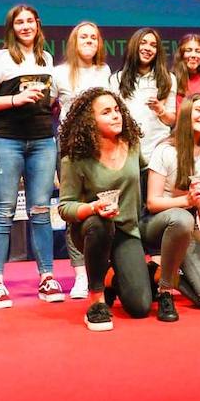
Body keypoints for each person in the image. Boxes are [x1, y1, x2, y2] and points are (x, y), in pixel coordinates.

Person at [0, 5, 63, 309]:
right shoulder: (0, 58)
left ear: (38, 24)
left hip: (42, 142)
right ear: (11, 28)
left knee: (40, 211)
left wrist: (51, 105)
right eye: (18, 22)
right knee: (2, 211)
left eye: (29, 21)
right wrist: (16, 99)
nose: (25, 26)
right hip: (7, 142)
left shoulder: (46, 59)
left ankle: (47, 276)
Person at [57, 87, 152, 331]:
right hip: (92, 229)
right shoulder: (75, 157)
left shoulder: (132, 145)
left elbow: (147, 174)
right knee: (99, 224)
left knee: (140, 307)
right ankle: (96, 301)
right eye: (106, 112)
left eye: (117, 110)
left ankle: (111, 278)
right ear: (90, 121)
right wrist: (92, 207)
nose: (116, 115)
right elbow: (65, 207)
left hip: (127, 231)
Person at [143, 93, 200, 320]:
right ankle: (165, 291)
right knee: (182, 218)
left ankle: (158, 274)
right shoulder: (166, 150)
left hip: (185, 227)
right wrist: (186, 201)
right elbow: (152, 203)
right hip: (156, 224)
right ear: (186, 113)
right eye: (199, 110)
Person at [53, 20, 111, 299]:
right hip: (70, 151)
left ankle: (99, 273)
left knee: (102, 210)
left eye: (94, 37)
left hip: (102, 148)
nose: (89, 40)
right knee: (74, 210)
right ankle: (79, 275)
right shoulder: (59, 73)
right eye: (83, 37)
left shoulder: (105, 71)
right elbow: (49, 107)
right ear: (73, 42)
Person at [109, 27, 177, 163]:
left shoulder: (168, 78)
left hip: (158, 150)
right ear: (135, 45)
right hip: (127, 151)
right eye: (143, 43)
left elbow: (172, 120)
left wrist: (160, 110)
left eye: (153, 45)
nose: (148, 48)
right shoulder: (117, 78)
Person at [172, 33, 200, 112]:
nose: (193, 55)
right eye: (188, 50)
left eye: (198, 51)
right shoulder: (172, 79)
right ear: (181, 53)